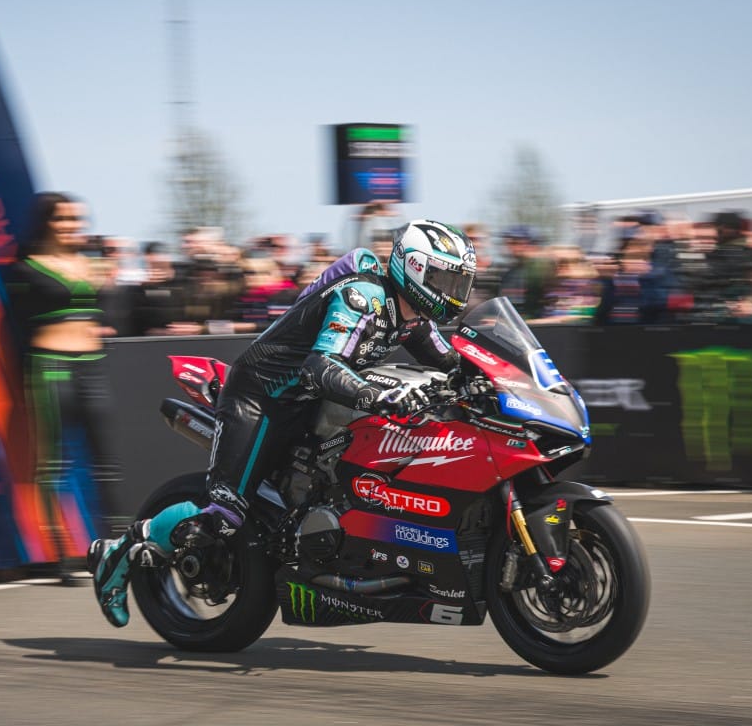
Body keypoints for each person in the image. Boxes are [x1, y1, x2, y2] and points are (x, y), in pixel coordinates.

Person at [87, 219, 477, 627]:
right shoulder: (364, 297)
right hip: (261, 398)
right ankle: (120, 550)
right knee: (224, 517)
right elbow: (321, 365)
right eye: (442, 279)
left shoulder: (411, 316)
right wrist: (377, 395)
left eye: (457, 282)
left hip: (310, 405)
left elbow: (452, 361)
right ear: (413, 270)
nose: (451, 292)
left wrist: (489, 377)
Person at [7, 192, 124, 577]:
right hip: (50, 365)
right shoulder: (25, 268)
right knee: (53, 462)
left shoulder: (91, 265)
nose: (73, 225)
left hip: (92, 365)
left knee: (104, 459)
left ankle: (115, 544)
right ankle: (59, 553)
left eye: (77, 219)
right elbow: (13, 324)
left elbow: (109, 313)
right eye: (64, 219)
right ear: (47, 222)